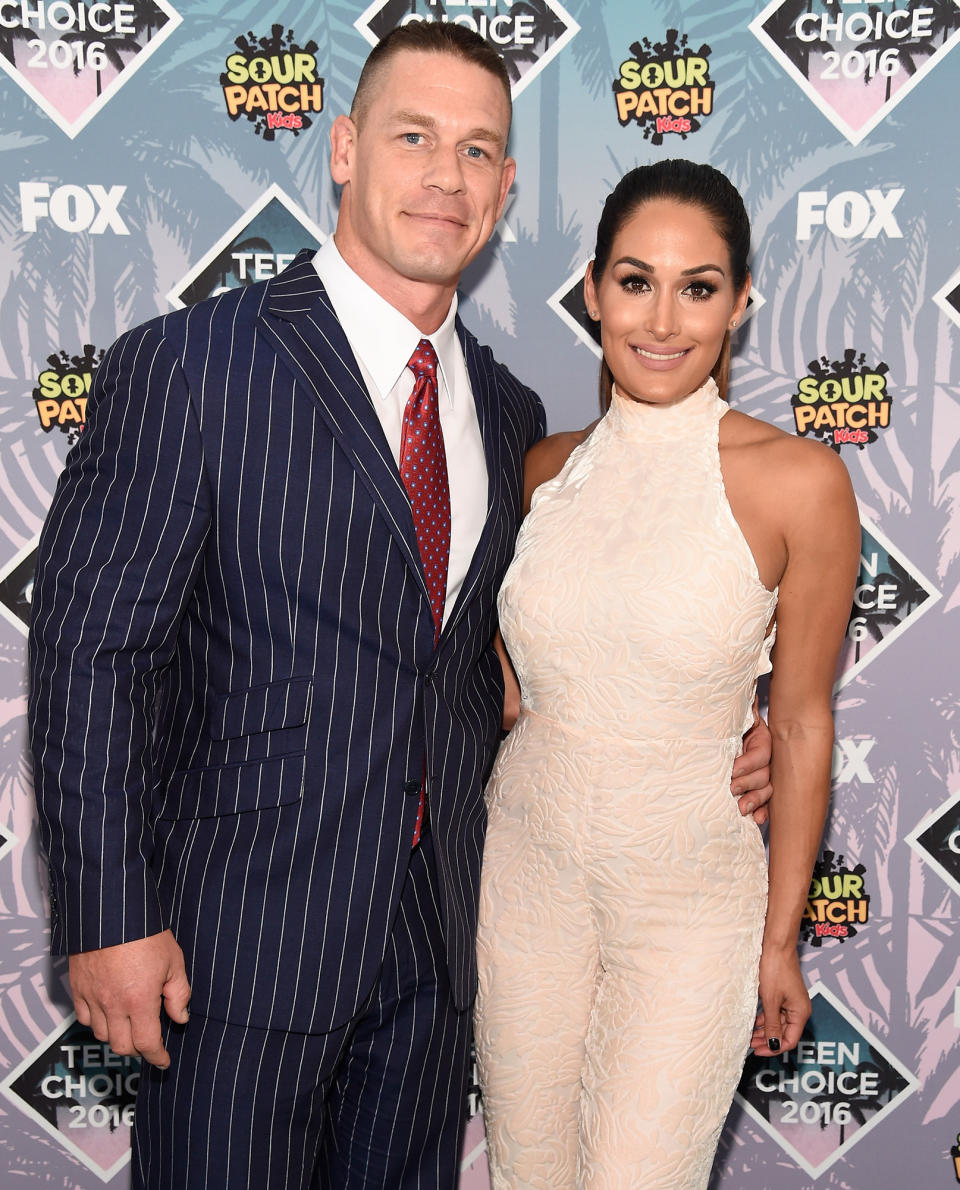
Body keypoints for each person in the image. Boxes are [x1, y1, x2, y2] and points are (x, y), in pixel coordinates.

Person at [27, 26, 773, 1189]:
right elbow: (92, 653)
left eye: (479, 150)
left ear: (506, 189)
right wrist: (110, 912)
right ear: (341, 148)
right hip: (234, 955)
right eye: (413, 136)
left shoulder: (517, 415)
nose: (446, 175)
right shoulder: (190, 367)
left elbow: (532, 649)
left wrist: (729, 728)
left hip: (446, 952)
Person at [474, 159, 860, 1190]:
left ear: (740, 301)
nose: (663, 318)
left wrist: (782, 942)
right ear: (593, 291)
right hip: (526, 878)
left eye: (698, 286)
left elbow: (807, 721)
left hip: (692, 896)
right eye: (636, 281)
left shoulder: (801, 481)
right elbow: (501, 688)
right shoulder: (540, 470)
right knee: (527, 1173)